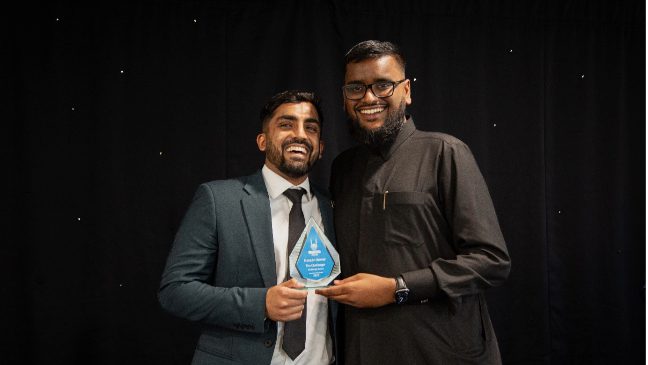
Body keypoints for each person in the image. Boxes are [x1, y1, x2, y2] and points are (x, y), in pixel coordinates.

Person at [316, 40, 511, 364]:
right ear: (344, 97)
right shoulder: (343, 168)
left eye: (382, 85)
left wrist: (399, 287)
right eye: (356, 88)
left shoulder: (446, 153)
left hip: (442, 351)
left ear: (406, 91)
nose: (368, 98)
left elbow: (491, 260)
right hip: (362, 351)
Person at [159, 90, 337, 365]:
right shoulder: (219, 200)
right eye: (286, 124)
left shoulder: (334, 207)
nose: (300, 134)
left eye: (310, 127)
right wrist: (260, 304)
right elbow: (175, 291)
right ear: (262, 141)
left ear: (321, 146)